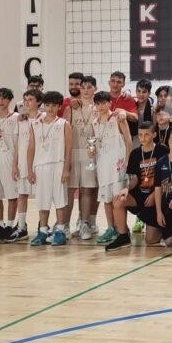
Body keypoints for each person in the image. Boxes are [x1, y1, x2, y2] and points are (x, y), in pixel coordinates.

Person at [106, 122, 170, 250]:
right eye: (140, 135)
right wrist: (126, 188)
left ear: (154, 134)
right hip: (140, 195)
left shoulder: (163, 151)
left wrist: (155, 194)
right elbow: (135, 178)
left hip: (158, 196)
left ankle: (170, 230)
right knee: (118, 200)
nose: (143, 138)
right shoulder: (135, 153)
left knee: (150, 240)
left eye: (147, 135)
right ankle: (123, 236)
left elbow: (168, 178)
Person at [26, 90, 73, 246]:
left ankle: (60, 231)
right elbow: (31, 148)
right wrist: (30, 170)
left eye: (54, 105)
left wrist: (66, 169)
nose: (50, 108)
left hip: (58, 164)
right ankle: (43, 231)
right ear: (43, 106)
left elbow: (68, 149)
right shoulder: (35, 124)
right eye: (47, 105)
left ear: (59, 106)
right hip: (40, 166)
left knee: (60, 200)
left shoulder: (64, 124)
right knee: (42, 200)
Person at [90, 90, 132, 246]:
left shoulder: (118, 117)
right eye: (98, 103)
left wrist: (127, 161)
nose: (101, 106)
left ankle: (122, 229)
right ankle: (110, 228)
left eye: (103, 103)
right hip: (103, 164)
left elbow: (128, 140)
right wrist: (91, 151)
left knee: (117, 199)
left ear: (110, 103)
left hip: (118, 164)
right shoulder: (94, 122)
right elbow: (92, 143)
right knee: (106, 199)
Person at [0, 88, 21, 243]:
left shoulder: (17, 117)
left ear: (10, 100)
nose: (1, 101)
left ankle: (10, 226)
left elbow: (20, 141)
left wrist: (16, 163)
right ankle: (0, 226)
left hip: (9, 157)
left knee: (12, 194)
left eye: (4, 98)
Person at [66, 76, 98, 241]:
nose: (85, 90)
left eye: (89, 87)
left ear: (95, 89)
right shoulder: (71, 108)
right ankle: (64, 225)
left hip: (90, 155)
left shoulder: (98, 109)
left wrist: (91, 148)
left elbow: (97, 133)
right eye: (83, 87)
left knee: (87, 190)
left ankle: (84, 223)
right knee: (70, 191)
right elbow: (65, 134)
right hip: (73, 153)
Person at [10, 89, 42, 242]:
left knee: (42, 196)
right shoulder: (21, 120)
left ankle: (43, 226)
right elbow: (17, 144)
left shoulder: (43, 118)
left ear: (38, 102)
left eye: (30, 99)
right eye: (25, 100)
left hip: (39, 163)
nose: (26, 102)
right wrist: (14, 164)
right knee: (22, 195)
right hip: (23, 163)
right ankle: (21, 227)